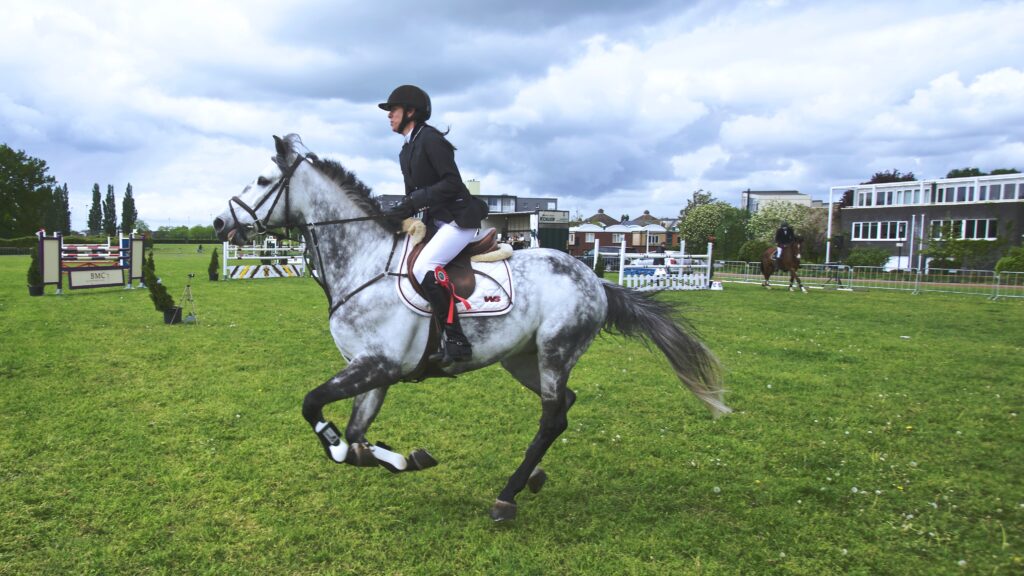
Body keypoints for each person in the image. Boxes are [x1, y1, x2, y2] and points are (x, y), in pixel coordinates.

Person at [380, 84, 489, 365]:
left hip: (459, 220)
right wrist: (396, 217)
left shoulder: (430, 140)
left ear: (411, 112)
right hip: (436, 222)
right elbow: (411, 198)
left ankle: (455, 338)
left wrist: (414, 201)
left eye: (393, 110)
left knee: (423, 266)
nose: (389, 115)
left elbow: (452, 183)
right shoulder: (406, 151)